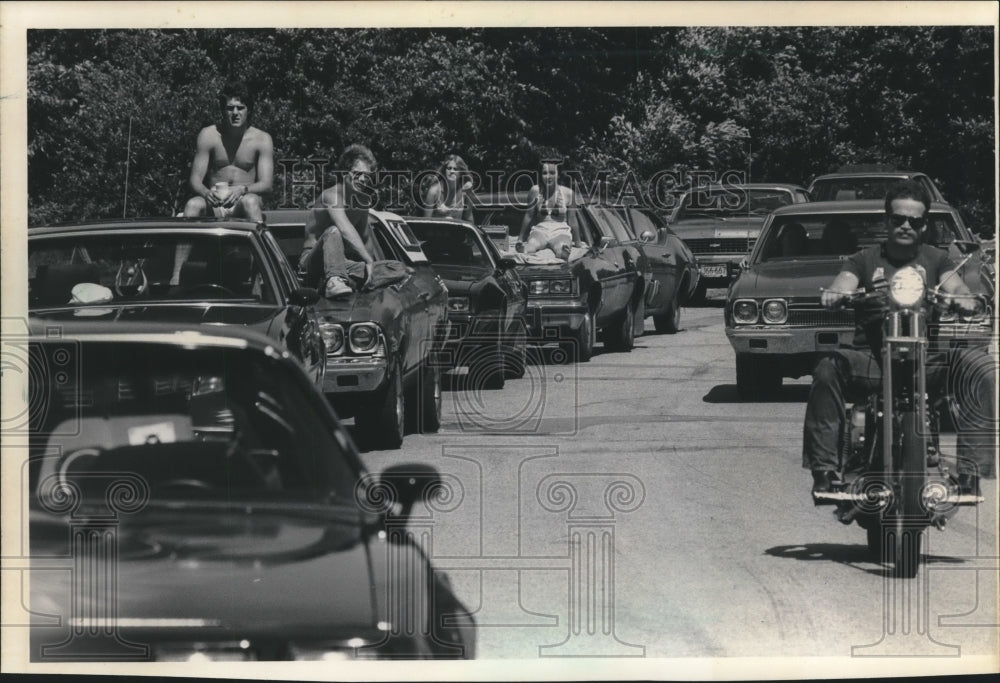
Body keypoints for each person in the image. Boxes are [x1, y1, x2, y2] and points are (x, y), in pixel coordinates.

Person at [803, 180, 995, 497]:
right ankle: (823, 469)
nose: (906, 225)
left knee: (981, 368)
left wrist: (965, 301)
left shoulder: (937, 260)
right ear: (886, 220)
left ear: (924, 226)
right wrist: (838, 293)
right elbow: (844, 282)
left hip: (927, 362)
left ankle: (970, 472)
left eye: (915, 221)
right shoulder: (863, 260)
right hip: (871, 361)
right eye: (898, 219)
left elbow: (958, 288)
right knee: (826, 368)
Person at [171, 82, 274, 285]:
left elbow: (266, 184)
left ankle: (262, 277)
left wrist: (242, 189)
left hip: (243, 204)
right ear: (222, 110)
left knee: (252, 202)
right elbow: (194, 179)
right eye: (230, 108)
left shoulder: (262, 139)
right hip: (214, 203)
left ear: (249, 110)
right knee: (192, 205)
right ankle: (175, 277)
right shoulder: (209, 135)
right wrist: (205, 191)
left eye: (240, 108)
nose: (235, 113)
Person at [299, 144, 379, 298]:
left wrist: (373, 267)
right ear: (344, 173)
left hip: (342, 263)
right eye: (357, 174)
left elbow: (365, 237)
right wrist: (368, 261)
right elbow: (344, 228)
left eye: (367, 176)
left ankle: (349, 280)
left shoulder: (363, 200)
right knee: (333, 231)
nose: (363, 179)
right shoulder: (331, 195)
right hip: (312, 263)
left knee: (397, 268)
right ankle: (334, 282)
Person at [516, 158, 583, 260]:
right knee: (532, 244)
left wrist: (578, 243)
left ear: (558, 174)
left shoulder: (569, 193)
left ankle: (563, 251)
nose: (548, 177)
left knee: (561, 246)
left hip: (560, 231)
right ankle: (525, 249)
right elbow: (528, 215)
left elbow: (573, 220)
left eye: (552, 173)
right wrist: (520, 239)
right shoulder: (535, 191)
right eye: (544, 173)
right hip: (540, 230)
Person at [421, 154, 474, 221]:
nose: (452, 171)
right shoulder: (434, 191)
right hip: (437, 230)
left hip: (456, 230)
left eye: (455, 169)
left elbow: (469, 217)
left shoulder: (465, 191)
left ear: (461, 172)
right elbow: (426, 221)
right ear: (444, 170)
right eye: (449, 168)